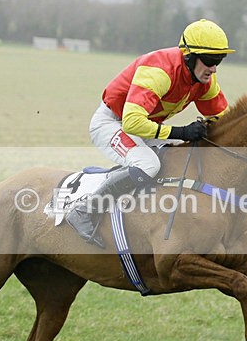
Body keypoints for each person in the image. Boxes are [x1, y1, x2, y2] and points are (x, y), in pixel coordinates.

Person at [65, 19, 236, 247]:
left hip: (144, 124)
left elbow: (225, 120)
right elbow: (132, 122)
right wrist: (183, 131)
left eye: (219, 61)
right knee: (148, 165)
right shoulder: (160, 71)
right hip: (113, 122)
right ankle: (85, 210)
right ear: (189, 56)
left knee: (183, 153)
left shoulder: (204, 79)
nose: (214, 68)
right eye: (210, 60)